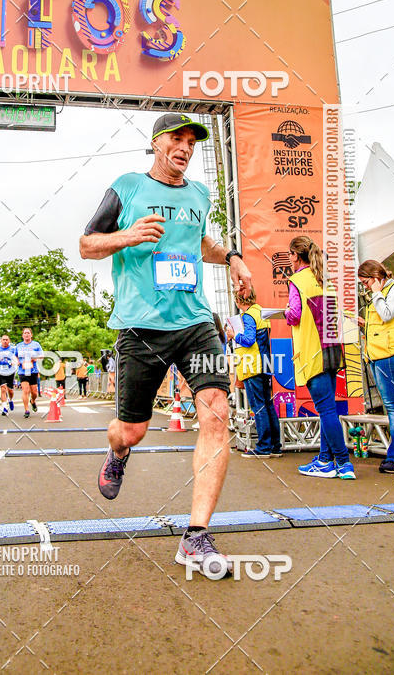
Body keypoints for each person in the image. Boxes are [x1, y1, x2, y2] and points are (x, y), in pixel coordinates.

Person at [80, 111, 252, 577]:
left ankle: (196, 536)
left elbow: (199, 243)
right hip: (141, 325)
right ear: (157, 143)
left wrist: (232, 258)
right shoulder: (128, 186)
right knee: (130, 430)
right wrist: (127, 236)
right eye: (176, 139)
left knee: (217, 410)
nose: (185, 147)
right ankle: (117, 453)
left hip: (195, 321)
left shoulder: (199, 194)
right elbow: (87, 243)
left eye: (191, 141)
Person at [284, 235, 355, 479]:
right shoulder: (325, 280)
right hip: (333, 349)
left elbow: (294, 314)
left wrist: (285, 312)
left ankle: (344, 463)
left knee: (326, 410)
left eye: (290, 254)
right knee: (329, 408)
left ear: (295, 255)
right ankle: (325, 460)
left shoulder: (297, 281)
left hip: (313, 352)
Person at [358, 260, 394, 473]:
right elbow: (384, 323)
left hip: (389, 354)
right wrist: (363, 323)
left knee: (392, 404)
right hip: (378, 354)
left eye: (366, 282)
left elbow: (388, 313)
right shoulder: (383, 291)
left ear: (375, 276)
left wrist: (375, 292)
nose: (365, 287)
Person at [227, 291, 281, 458]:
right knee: (268, 405)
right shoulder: (261, 313)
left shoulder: (248, 316)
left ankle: (263, 446)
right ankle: (274, 445)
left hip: (252, 365)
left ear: (237, 300)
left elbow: (249, 340)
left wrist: (233, 335)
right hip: (265, 363)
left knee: (258, 406)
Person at [15, 327, 43, 418]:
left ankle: (33, 401)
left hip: (33, 370)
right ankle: (26, 410)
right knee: (25, 390)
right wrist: (17, 361)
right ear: (22, 335)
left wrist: (36, 358)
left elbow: (42, 355)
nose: (26, 334)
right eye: (25, 333)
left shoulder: (36, 344)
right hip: (22, 370)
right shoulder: (19, 346)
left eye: (28, 333)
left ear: (31, 335)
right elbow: (14, 356)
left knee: (34, 392)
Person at [0, 334, 18, 416]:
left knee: (10, 390)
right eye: (3, 339)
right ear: (1, 341)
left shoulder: (13, 349)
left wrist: (15, 362)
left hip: (10, 371)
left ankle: (10, 400)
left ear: (9, 341)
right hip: (0, 371)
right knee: (3, 389)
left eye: (7, 339)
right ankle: (4, 408)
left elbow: (16, 358)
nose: (5, 341)